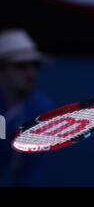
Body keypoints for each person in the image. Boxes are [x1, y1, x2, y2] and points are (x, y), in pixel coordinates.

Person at [0, 29, 53, 186]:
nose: (31, 73)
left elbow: (30, 173)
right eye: (21, 66)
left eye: (34, 65)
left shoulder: (40, 108)